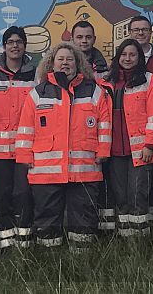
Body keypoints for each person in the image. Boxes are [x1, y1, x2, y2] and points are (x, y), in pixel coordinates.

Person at [15, 42, 111, 251]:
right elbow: (25, 128)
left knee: (84, 217)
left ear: (78, 63)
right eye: (61, 59)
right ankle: (49, 261)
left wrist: (103, 151)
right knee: (47, 217)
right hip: (46, 171)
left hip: (84, 169)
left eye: (70, 59)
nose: (65, 63)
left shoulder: (94, 91)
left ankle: (82, 260)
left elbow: (104, 124)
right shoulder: (37, 93)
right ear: (52, 63)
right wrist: (24, 157)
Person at [0, 26, 38, 250]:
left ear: (24, 46)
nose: (15, 45)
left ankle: (24, 245)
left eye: (19, 42)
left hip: (26, 152)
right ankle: (4, 245)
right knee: (2, 198)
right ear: (4, 46)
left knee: (24, 196)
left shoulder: (35, 74)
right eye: (10, 42)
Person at [99, 39, 153, 235]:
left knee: (138, 195)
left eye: (132, 55)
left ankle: (140, 240)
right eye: (124, 55)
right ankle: (125, 238)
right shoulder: (105, 82)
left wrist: (150, 144)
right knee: (121, 197)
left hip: (141, 150)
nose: (127, 59)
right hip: (114, 150)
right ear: (118, 56)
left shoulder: (150, 79)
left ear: (139, 58)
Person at [129, 15, 153, 221]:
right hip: (135, 133)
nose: (140, 33)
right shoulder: (123, 59)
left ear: (151, 32)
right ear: (129, 32)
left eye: (144, 29)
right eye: (136, 30)